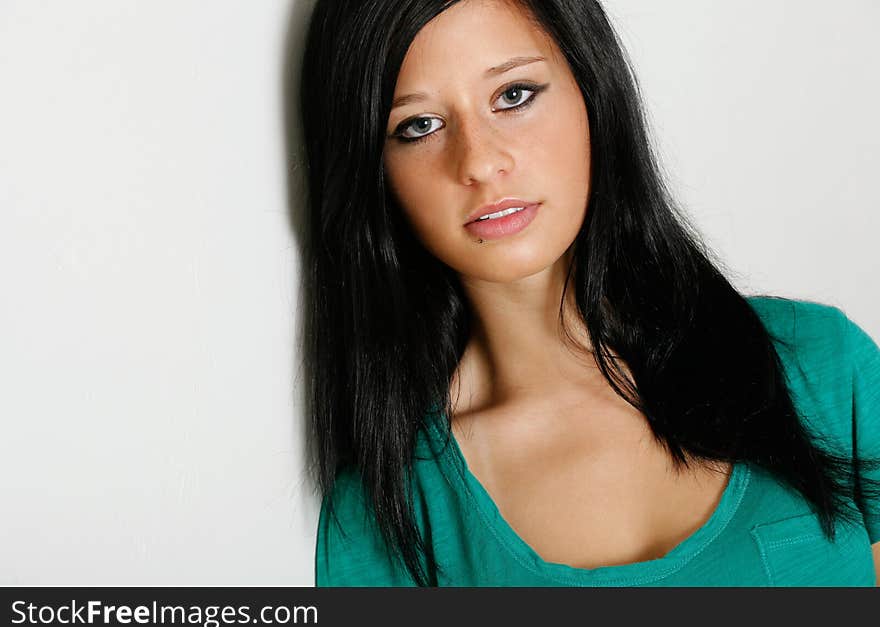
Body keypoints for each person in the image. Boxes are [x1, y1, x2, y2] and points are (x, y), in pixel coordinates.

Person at [298, 0, 880, 586]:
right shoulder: (384, 518)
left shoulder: (825, 369)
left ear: (592, 93)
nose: (479, 161)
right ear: (373, 172)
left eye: (514, 95)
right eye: (419, 126)